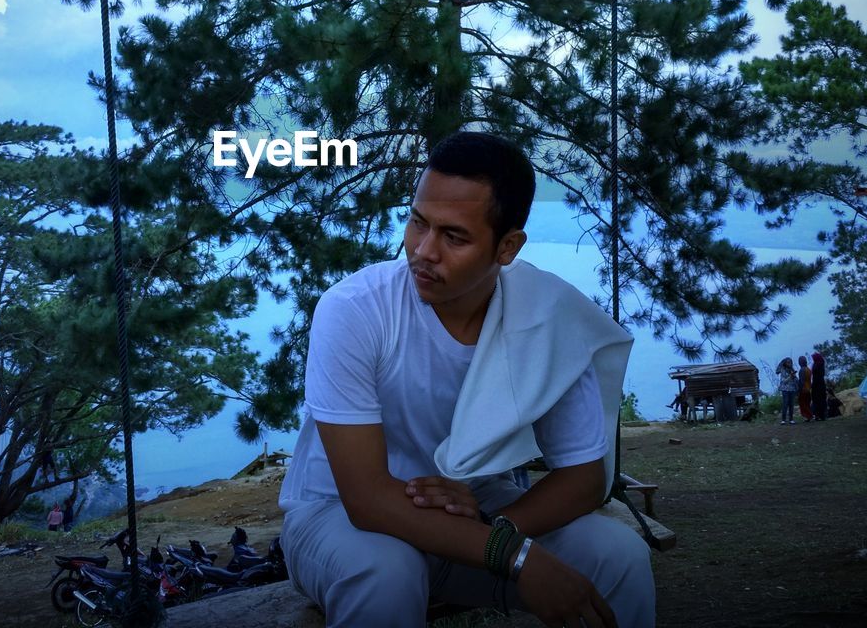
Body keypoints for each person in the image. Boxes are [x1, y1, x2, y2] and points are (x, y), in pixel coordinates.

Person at [278, 131, 654, 628]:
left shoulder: (545, 318)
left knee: (619, 555)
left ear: (507, 247)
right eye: (417, 223)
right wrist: (515, 554)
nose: (423, 251)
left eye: (454, 237)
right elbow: (367, 499)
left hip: (473, 511)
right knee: (384, 573)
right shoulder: (355, 311)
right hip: (337, 518)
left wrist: (499, 530)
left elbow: (585, 479)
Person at [776, 358, 798, 425]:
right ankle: (783, 420)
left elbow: (795, 379)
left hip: (792, 389)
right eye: (788, 362)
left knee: (791, 404)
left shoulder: (792, 369)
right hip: (785, 389)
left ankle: (791, 419)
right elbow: (784, 381)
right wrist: (790, 376)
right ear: (785, 363)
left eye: (790, 362)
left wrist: (794, 377)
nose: (790, 364)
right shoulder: (783, 370)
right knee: (785, 404)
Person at [811, 350, 828, 421]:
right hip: (821, 384)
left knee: (816, 400)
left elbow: (814, 376)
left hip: (816, 384)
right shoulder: (822, 364)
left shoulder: (816, 365)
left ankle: (817, 415)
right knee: (822, 400)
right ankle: (822, 415)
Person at [797, 355, 813, 422]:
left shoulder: (802, 370)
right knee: (807, 403)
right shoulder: (808, 369)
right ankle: (809, 416)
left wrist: (799, 390)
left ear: (800, 362)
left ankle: (807, 416)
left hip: (803, 390)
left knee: (803, 404)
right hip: (808, 388)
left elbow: (802, 381)